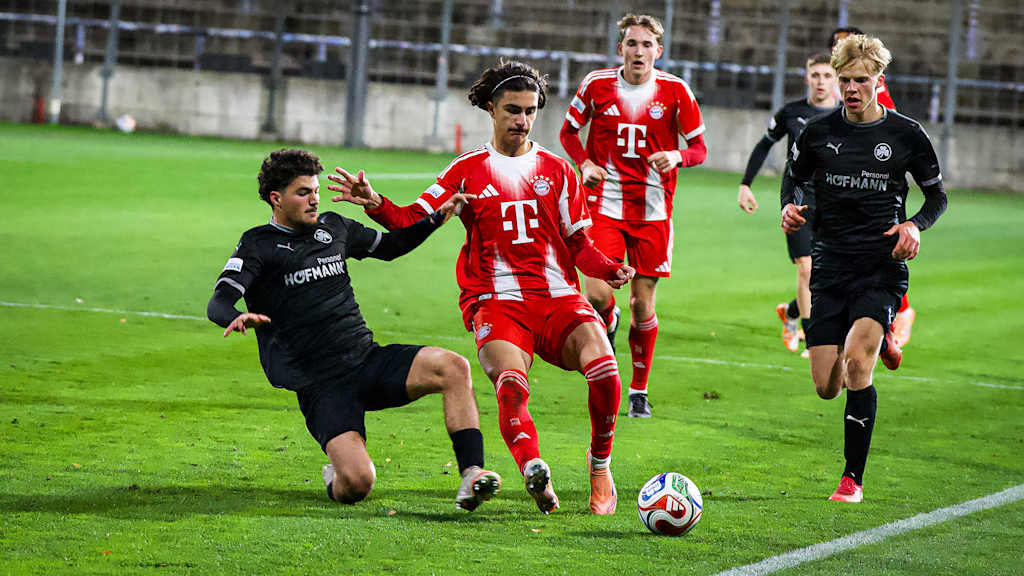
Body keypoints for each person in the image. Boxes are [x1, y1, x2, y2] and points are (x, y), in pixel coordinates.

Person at [328, 61, 635, 515]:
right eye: (512, 110)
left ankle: (600, 465)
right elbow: (412, 218)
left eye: (530, 111)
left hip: (558, 298)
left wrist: (608, 268)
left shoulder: (559, 170)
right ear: (491, 109)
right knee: (510, 384)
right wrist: (376, 203)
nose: (522, 120)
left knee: (606, 373)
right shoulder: (468, 170)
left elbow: (578, 244)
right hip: (496, 303)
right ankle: (534, 469)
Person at [206, 148, 502, 511]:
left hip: (366, 360)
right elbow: (219, 301)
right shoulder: (258, 244)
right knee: (358, 484)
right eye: (303, 193)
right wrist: (233, 316)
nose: (314, 199)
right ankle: (335, 475)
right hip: (321, 384)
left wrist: (434, 220)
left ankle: (472, 473)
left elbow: (390, 247)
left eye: (315, 191)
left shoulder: (335, 227)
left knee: (454, 367)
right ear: (276, 198)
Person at [781, 35, 947, 502]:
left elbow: (937, 196)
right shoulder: (817, 132)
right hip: (830, 266)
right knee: (825, 387)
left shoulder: (906, 134)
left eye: (861, 80)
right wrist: (789, 208)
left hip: (880, 267)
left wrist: (915, 225)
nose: (851, 89)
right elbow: (793, 180)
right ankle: (880, 337)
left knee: (858, 364)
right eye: (844, 80)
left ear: (879, 80)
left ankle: (851, 479)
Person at [559, 13, 707, 418]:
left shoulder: (676, 91)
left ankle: (638, 389)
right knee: (595, 293)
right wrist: (585, 163)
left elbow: (699, 148)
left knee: (643, 305)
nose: (638, 51)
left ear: (658, 51)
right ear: (620, 48)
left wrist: (677, 154)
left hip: (653, 212)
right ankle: (607, 316)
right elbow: (568, 132)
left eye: (646, 45)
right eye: (631, 43)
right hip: (603, 205)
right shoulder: (596, 84)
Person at [737, 53, 839, 357]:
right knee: (806, 269)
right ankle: (814, 338)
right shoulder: (791, 113)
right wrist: (746, 184)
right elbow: (764, 144)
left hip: (833, 203)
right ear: (807, 78)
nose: (821, 81)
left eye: (827, 75)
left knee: (826, 273)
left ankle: (792, 312)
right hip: (797, 201)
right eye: (816, 75)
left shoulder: (846, 116)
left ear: (836, 80)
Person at [831, 26, 916, 348]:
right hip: (838, 195)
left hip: (875, 194)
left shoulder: (877, 96)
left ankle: (894, 321)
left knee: (877, 259)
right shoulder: (836, 90)